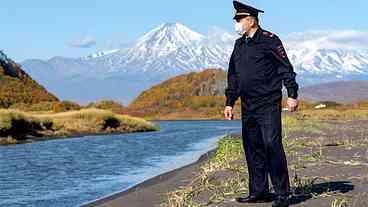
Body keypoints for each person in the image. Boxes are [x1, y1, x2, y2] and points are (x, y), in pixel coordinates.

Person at [223, 1, 299, 207]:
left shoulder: (270, 40)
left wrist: (292, 93)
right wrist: (230, 102)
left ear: (250, 20)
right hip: (248, 105)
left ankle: (283, 194)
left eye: (239, 19)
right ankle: (259, 192)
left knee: (272, 145)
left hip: (268, 103)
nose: (237, 23)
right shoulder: (239, 45)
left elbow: (285, 68)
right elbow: (234, 76)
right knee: (252, 147)